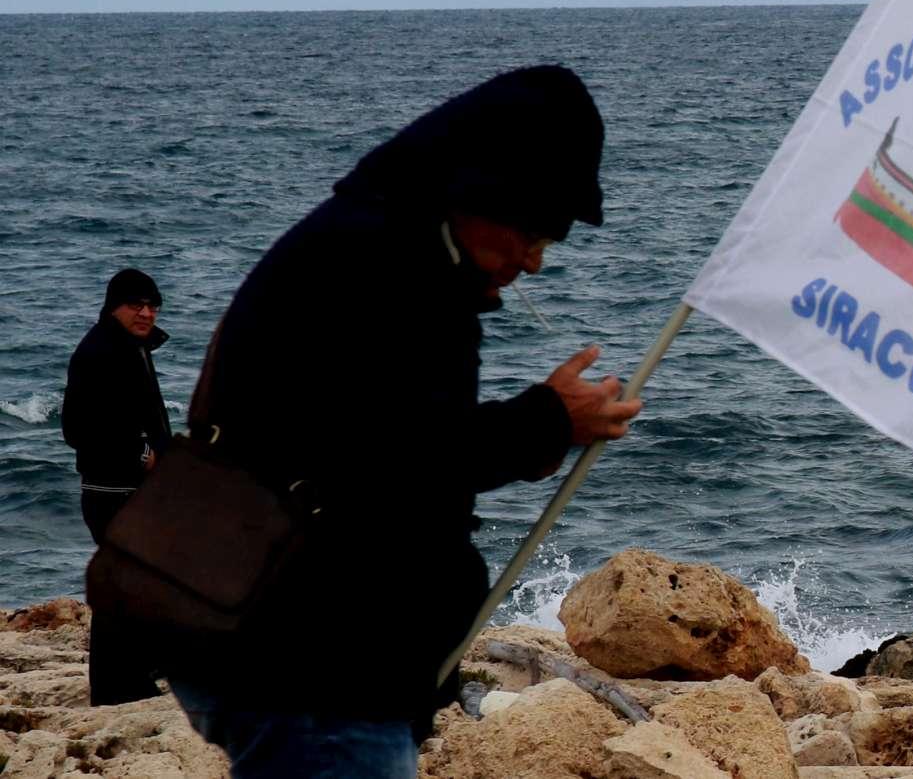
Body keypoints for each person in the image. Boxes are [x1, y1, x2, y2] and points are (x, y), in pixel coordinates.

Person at [163, 66, 641, 779]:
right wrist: (545, 421)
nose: (536, 261)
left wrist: (532, 435)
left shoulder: (387, 242)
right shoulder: (386, 265)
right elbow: (393, 458)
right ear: (487, 189)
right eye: (534, 230)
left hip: (283, 638)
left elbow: (373, 438)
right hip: (316, 661)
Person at [63, 266, 173, 704]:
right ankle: (113, 689)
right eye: (136, 305)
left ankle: (137, 670)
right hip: (112, 491)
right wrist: (141, 454)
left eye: (152, 304)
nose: (146, 312)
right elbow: (78, 427)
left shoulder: (133, 347)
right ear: (114, 307)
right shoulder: (99, 352)